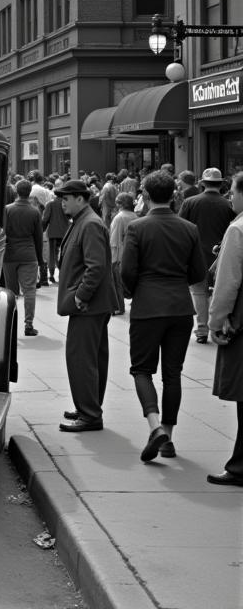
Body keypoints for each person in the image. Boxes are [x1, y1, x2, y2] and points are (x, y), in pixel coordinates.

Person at [119, 171, 207, 462]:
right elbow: (197, 274)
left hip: (147, 306)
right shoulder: (189, 228)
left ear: (145, 195)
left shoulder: (138, 228)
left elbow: (127, 270)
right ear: (174, 195)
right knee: (173, 373)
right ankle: (167, 436)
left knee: (142, 370)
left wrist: (133, 292)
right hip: (180, 307)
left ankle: (155, 426)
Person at [54, 178, 121, 432]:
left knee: (81, 359)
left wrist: (81, 296)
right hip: (91, 305)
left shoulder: (89, 223)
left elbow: (96, 267)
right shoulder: (84, 221)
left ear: (80, 199)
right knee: (91, 358)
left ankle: (90, 414)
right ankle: (88, 407)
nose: (62, 203)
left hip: (88, 305)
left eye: (66, 198)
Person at [207, 171, 243, 486]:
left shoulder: (238, 229)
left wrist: (216, 321)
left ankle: (240, 466)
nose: (230, 196)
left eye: (232, 191)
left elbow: (228, 283)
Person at [179, 167, 235, 344]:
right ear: (220, 185)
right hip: (220, 257)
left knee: (198, 293)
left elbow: (181, 228)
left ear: (202, 184)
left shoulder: (189, 202)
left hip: (196, 256)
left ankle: (202, 329)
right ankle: (217, 327)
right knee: (218, 292)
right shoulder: (229, 205)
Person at [3, 179, 45, 335]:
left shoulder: (7, 209)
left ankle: (9, 326)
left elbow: (2, 232)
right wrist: (40, 260)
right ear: (30, 193)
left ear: (16, 192)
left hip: (9, 255)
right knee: (29, 291)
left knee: (11, 293)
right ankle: (28, 325)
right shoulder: (35, 212)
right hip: (29, 254)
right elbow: (38, 239)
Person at [108, 192, 137, 314]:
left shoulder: (119, 218)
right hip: (133, 253)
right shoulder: (135, 216)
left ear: (120, 204)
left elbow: (114, 241)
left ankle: (118, 307)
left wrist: (112, 258)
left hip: (120, 254)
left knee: (117, 283)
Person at [41, 193, 69, 284]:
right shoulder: (66, 204)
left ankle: (52, 274)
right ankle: (63, 273)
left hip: (53, 232)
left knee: (52, 254)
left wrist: (42, 229)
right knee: (64, 254)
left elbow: (45, 219)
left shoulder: (50, 204)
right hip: (65, 232)